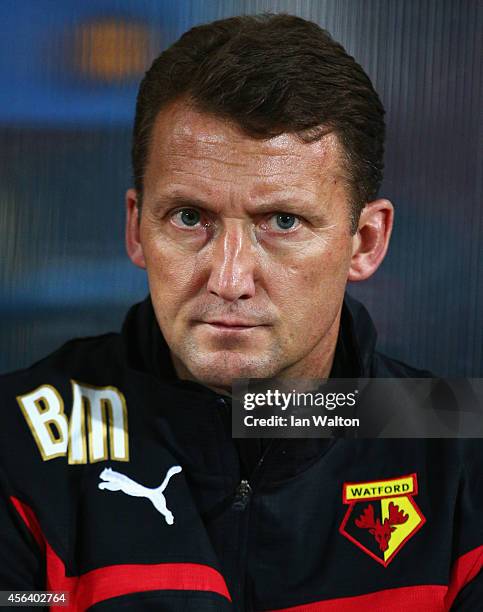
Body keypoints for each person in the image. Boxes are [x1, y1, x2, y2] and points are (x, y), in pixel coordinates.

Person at [0, 14, 481, 611]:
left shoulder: (461, 441)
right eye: (189, 217)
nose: (229, 279)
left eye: (282, 221)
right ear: (136, 227)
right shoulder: (14, 442)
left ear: (365, 242)